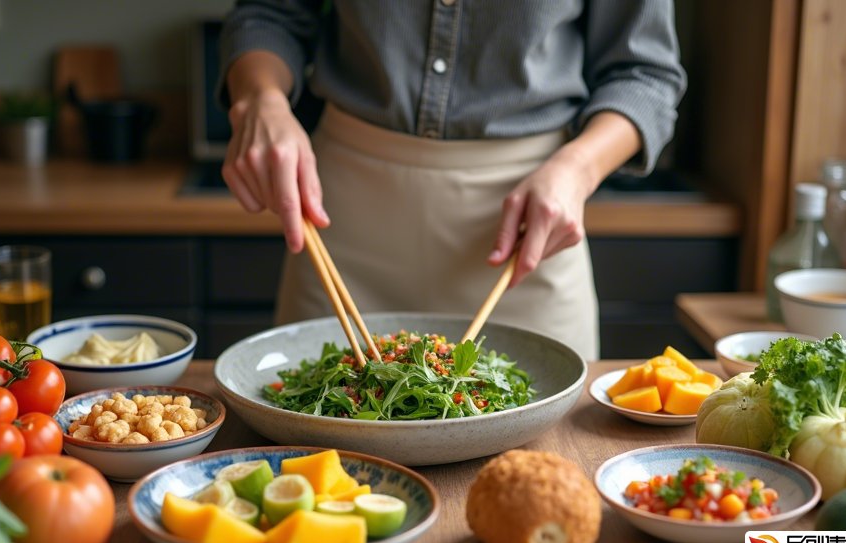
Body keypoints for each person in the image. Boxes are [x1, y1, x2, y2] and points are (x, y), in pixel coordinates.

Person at [218, 0, 686, 360]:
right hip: (343, 222)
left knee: (540, 467)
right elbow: (268, 14)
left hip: (527, 230)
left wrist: (577, 170)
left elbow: (644, 74)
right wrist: (261, 97)